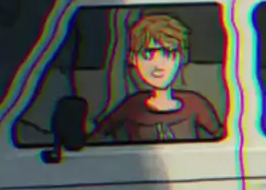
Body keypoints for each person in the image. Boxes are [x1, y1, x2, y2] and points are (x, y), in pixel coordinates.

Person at [89, 13, 223, 143]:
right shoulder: (131, 105)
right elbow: (97, 136)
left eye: (168, 54)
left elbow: (224, 139)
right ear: (133, 59)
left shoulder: (195, 103)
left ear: (182, 58)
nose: (158, 64)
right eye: (148, 55)